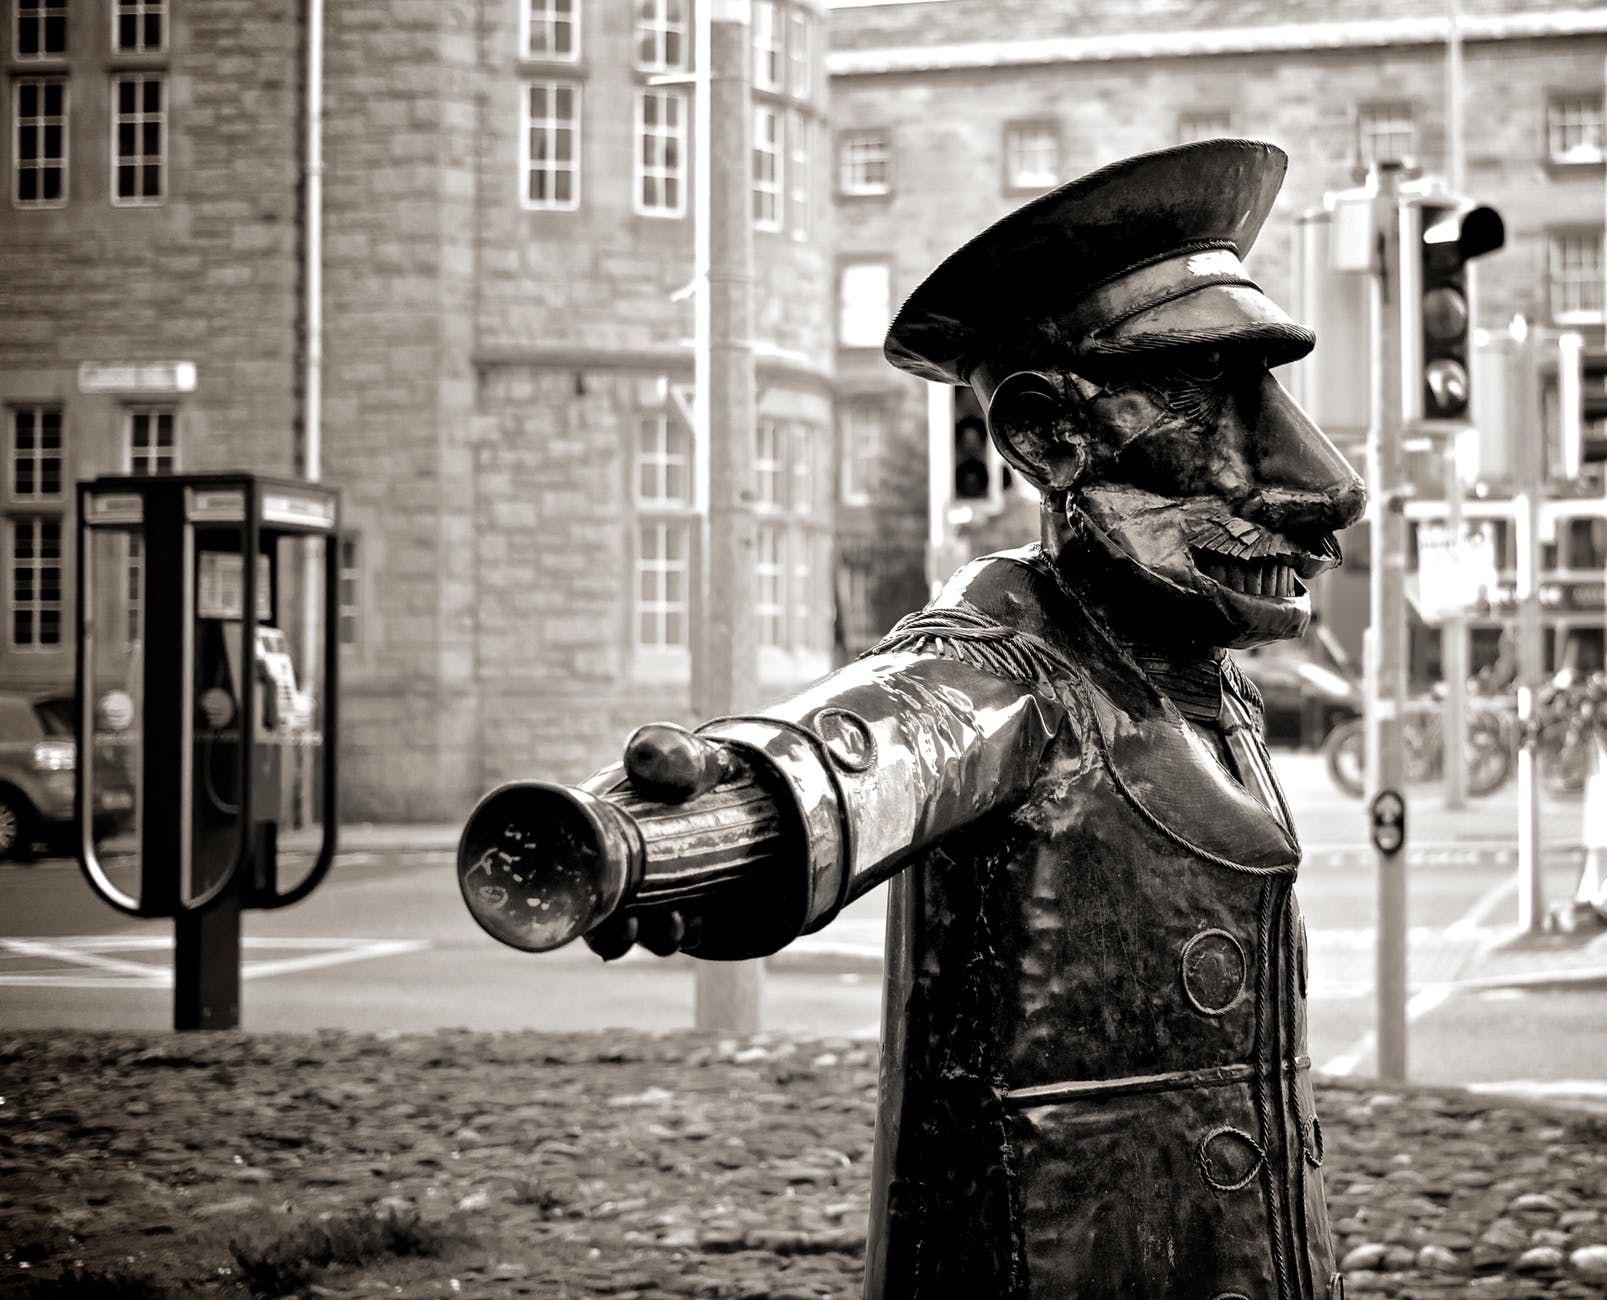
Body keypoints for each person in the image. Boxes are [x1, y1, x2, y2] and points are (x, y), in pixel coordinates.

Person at [461, 138, 1365, 1299]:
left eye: (1271, 396)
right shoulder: (1015, 664)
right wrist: (665, 836)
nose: (1318, 479)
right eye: (1213, 403)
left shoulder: (1192, 663)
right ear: (1048, 435)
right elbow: (887, 743)